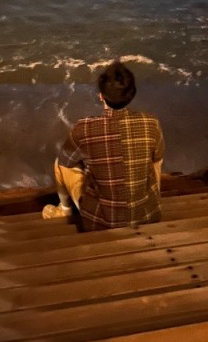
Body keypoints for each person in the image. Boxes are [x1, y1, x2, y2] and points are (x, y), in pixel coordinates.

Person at [42, 60, 164, 231]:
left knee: (60, 164)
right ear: (132, 93)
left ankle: (64, 210)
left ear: (101, 95)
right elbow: (157, 162)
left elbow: (66, 160)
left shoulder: (85, 127)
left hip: (101, 221)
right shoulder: (151, 122)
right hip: (148, 216)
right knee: (155, 161)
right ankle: (149, 202)